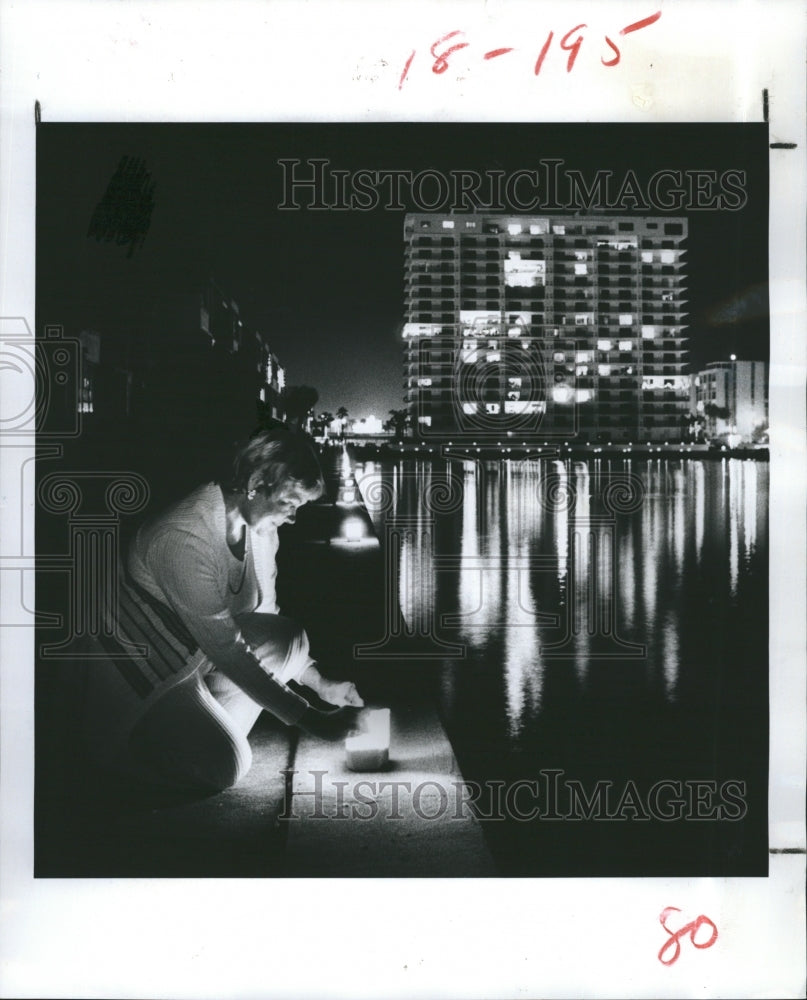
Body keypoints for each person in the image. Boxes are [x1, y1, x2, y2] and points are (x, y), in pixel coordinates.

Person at [81, 426, 363, 793]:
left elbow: (268, 618)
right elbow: (228, 649)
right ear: (257, 483)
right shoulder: (183, 537)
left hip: (198, 656)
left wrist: (321, 684)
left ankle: (195, 731)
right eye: (290, 503)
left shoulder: (261, 530)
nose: (293, 518)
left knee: (290, 638)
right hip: (148, 671)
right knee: (226, 766)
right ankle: (122, 752)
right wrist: (307, 717)